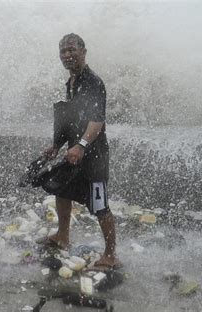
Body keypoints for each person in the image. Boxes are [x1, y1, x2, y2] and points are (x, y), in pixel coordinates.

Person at [36, 34, 121, 270]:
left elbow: (97, 121)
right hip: (74, 151)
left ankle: (111, 255)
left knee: (99, 204)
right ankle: (62, 236)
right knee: (61, 189)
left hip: (93, 156)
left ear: (84, 51)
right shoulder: (71, 82)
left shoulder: (93, 82)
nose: (67, 55)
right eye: (62, 51)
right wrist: (57, 145)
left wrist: (81, 146)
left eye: (71, 49)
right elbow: (73, 117)